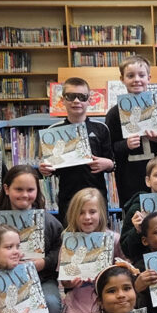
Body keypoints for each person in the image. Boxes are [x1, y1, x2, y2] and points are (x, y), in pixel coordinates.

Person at [0, 165, 64, 313]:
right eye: (19, 189)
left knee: (50, 305)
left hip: (42, 279)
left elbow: (60, 251)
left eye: (30, 190)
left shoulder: (49, 222)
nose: (25, 195)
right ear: (7, 189)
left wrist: (42, 263)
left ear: (37, 191)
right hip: (6, 283)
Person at [56, 188, 125, 313]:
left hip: (109, 309)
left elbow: (126, 271)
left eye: (92, 212)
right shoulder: (69, 240)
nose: (87, 217)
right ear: (74, 215)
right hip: (78, 309)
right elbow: (64, 281)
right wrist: (70, 284)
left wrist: (113, 272)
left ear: (101, 213)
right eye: (81, 213)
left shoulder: (114, 239)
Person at [37, 77, 114, 226]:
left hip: (97, 197)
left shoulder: (101, 129)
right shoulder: (53, 132)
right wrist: (45, 170)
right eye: (71, 96)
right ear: (62, 100)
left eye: (82, 97)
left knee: (99, 241)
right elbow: (52, 169)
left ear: (89, 100)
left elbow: (113, 163)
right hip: (68, 198)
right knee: (69, 237)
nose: (76, 101)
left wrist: (108, 164)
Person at [106, 55, 157, 205]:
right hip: (129, 177)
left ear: (149, 78)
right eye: (130, 76)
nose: (136, 79)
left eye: (141, 75)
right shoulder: (114, 113)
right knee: (135, 215)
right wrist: (125, 145)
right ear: (122, 79)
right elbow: (108, 148)